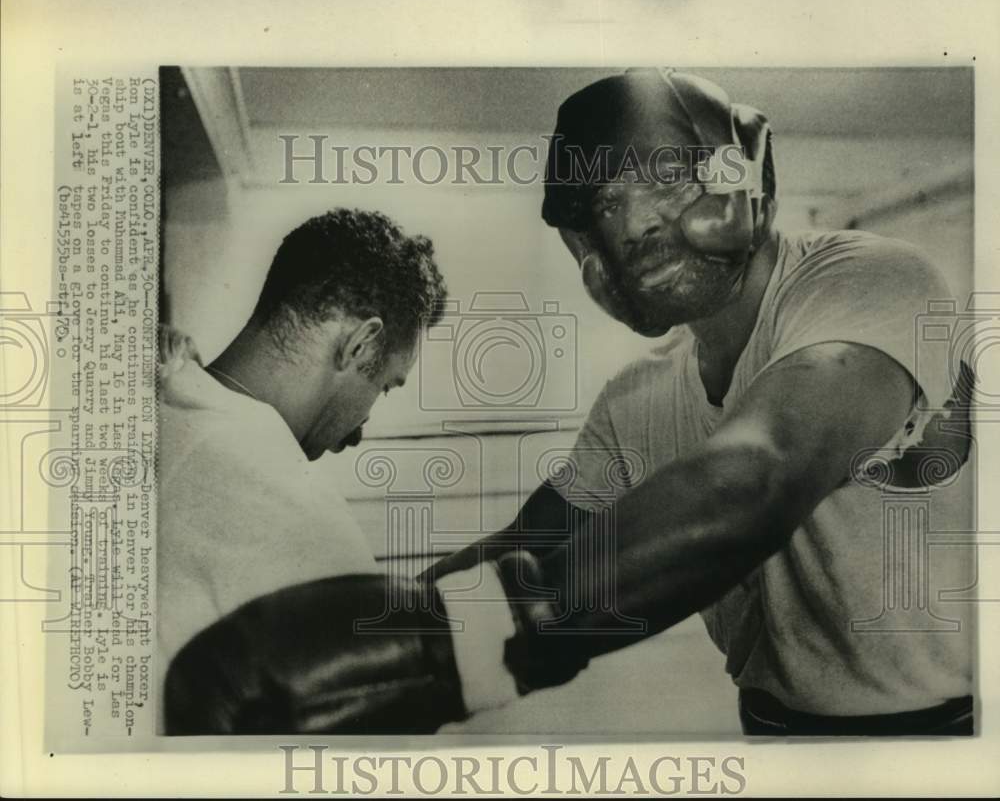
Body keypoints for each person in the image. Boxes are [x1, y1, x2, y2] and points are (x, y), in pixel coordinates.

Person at [163, 70, 975, 737]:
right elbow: (532, 540)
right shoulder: (641, 397)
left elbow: (755, 478)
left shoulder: (871, 281)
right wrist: (373, 627)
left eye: (655, 189)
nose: (627, 235)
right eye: (599, 219)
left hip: (930, 733)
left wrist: (453, 650)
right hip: (769, 722)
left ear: (732, 178)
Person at [156, 208, 447, 719]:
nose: (358, 431)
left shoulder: (150, 396)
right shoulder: (301, 516)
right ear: (361, 345)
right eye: (382, 387)